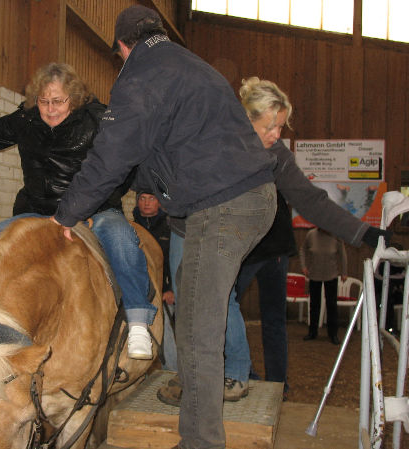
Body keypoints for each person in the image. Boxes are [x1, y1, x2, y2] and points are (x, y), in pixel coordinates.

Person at [52, 6, 278, 449]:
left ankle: (201, 443)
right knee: (195, 314)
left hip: (224, 207)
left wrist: (67, 212)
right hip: (243, 200)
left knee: (196, 331)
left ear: (122, 47)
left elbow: (111, 155)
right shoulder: (189, 66)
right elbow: (156, 153)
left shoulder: (141, 75)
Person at [157, 77, 392, 405]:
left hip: (225, 234)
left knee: (220, 298)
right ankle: (189, 376)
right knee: (186, 303)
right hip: (186, 227)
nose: (277, 135)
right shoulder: (209, 135)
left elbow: (311, 199)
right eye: (270, 127)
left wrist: (364, 232)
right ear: (246, 120)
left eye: (281, 126)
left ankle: (236, 374)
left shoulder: (276, 155)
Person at [0, 62, 156, 360]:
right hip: (38, 210)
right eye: (43, 101)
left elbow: (122, 169)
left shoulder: (98, 121)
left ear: (74, 98)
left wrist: (87, 208)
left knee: (122, 239)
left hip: (94, 210)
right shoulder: (26, 119)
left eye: (58, 101)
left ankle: (138, 322)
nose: (50, 109)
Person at [133, 191, 176, 370]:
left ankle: (172, 370)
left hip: (163, 291)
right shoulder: (131, 227)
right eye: (142, 199)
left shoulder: (169, 228)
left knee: (165, 330)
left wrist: (170, 288)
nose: (146, 203)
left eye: (151, 198)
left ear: (159, 202)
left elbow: (173, 261)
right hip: (137, 289)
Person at [300, 227, 348, 344]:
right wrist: (303, 266)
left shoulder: (336, 236)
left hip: (331, 274)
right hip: (314, 274)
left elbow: (343, 255)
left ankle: (333, 334)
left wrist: (344, 272)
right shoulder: (311, 234)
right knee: (314, 305)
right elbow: (303, 249)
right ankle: (312, 332)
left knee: (332, 305)